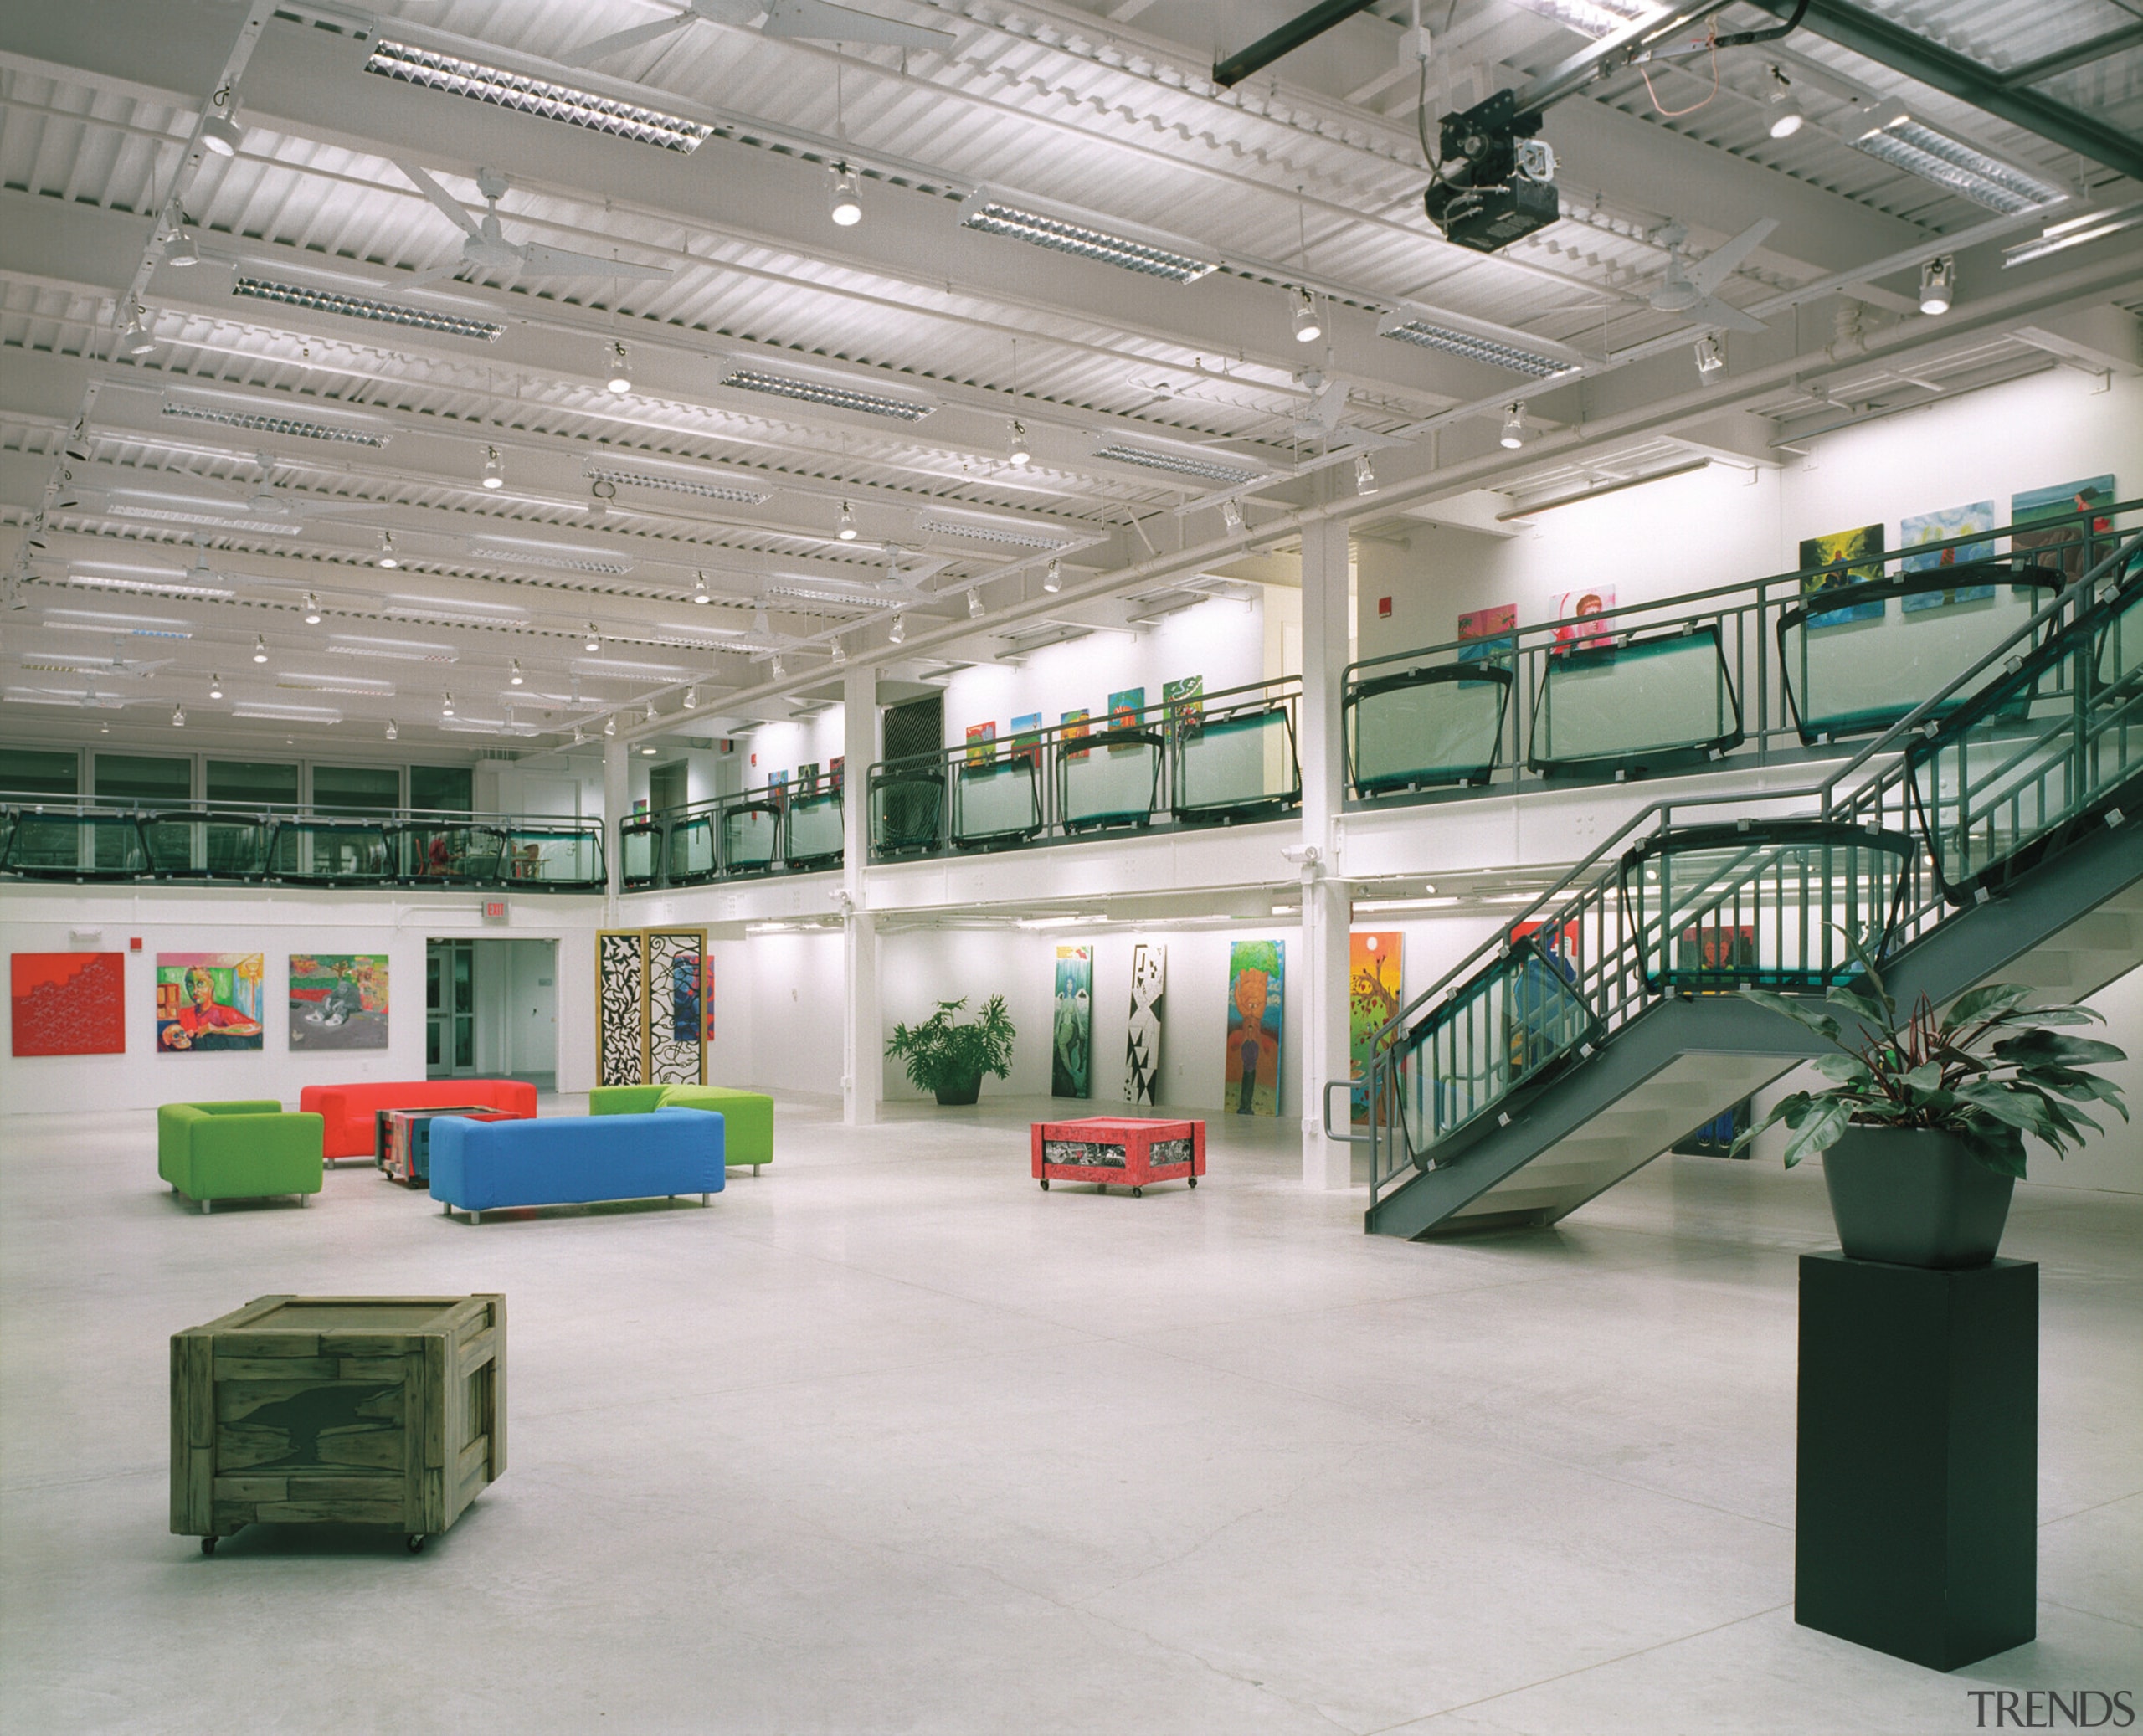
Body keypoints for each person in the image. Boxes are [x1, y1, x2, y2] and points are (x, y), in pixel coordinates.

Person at [161, 966, 261, 1050]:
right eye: (190, 984)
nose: (195, 990)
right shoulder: (183, 1013)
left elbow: (256, 1027)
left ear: (211, 985)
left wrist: (217, 1029)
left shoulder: (225, 1012)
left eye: (201, 984)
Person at [1232, 966, 1269, 1115]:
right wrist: (1236, 989)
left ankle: (1246, 1106)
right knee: (1247, 1075)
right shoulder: (1247, 1014)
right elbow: (1240, 1002)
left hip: (1252, 1047)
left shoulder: (1257, 1016)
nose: (1253, 1006)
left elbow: (1264, 1001)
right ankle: (1244, 1105)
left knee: (1250, 1074)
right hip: (1247, 1047)